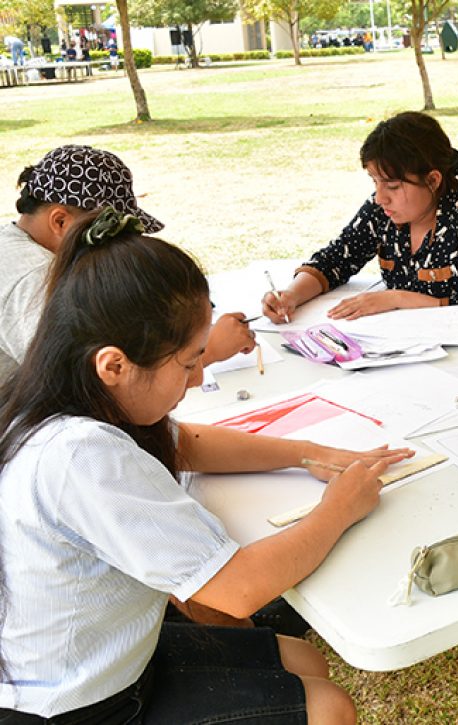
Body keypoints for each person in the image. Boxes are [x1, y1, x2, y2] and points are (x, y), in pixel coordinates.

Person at [0, 206, 410, 722]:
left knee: (304, 659)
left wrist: (309, 454)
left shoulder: (66, 394)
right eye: (189, 362)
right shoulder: (81, 455)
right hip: (79, 705)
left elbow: (188, 442)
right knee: (329, 708)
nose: (196, 379)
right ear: (115, 364)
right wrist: (339, 508)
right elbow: (238, 589)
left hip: (113, 656)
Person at [261, 112, 458, 350]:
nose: (380, 197)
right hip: (421, 348)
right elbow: (337, 258)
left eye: (393, 186)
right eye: (374, 181)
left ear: (433, 180)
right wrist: (292, 295)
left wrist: (396, 298)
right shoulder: (381, 212)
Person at [2, 145, 257, 384]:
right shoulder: (34, 278)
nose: (114, 248)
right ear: (60, 222)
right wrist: (204, 351)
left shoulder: (17, 244)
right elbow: (80, 385)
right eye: (105, 232)